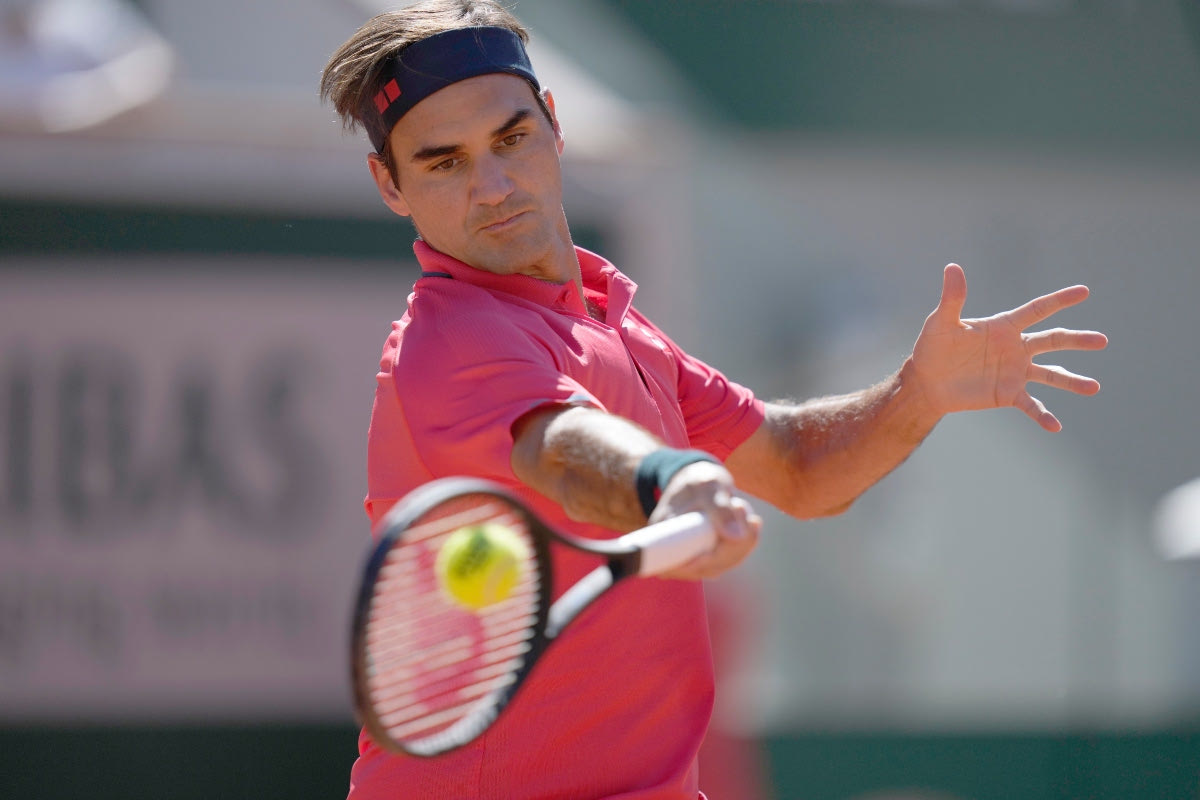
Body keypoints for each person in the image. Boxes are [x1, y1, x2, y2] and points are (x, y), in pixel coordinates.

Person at [319, 2, 1108, 797]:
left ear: (553, 124)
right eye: (444, 163)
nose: (492, 186)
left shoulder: (620, 329)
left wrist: (919, 393)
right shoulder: (453, 336)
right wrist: (671, 480)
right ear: (390, 184)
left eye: (511, 138)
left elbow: (796, 466)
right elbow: (557, 447)